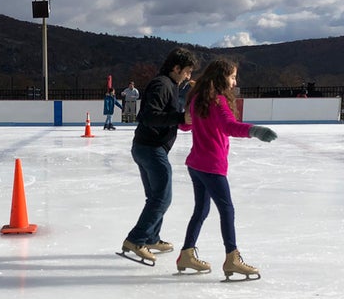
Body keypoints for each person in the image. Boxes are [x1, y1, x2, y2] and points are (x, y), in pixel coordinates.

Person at [175, 58, 277, 281]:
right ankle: (232, 257)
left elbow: (185, 124)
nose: (234, 81)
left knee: (201, 210)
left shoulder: (199, 100)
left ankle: (186, 254)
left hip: (196, 164)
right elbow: (228, 126)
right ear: (222, 77)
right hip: (212, 166)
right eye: (232, 77)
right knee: (226, 210)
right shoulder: (217, 101)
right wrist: (254, 130)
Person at [119, 47, 199, 265]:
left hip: (147, 147)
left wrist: (181, 119)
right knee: (162, 197)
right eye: (187, 71)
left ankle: (151, 237)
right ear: (176, 67)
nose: (188, 76)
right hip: (150, 149)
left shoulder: (170, 85)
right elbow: (148, 115)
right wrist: (180, 117)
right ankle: (136, 239)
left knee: (155, 197)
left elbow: (166, 116)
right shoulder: (162, 84)